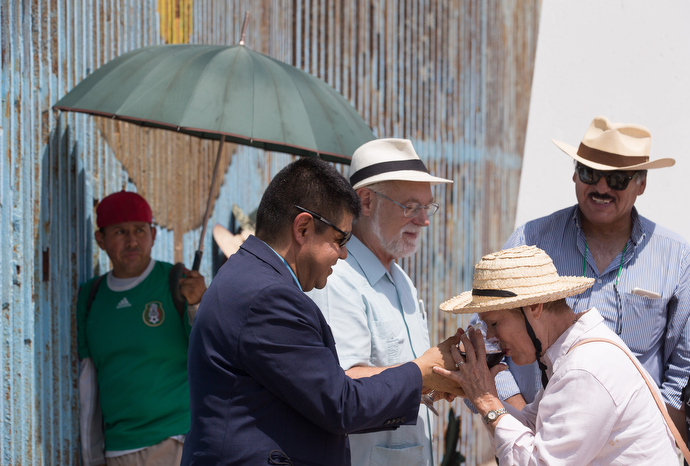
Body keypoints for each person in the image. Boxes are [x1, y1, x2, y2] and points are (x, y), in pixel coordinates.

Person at [180, 157, 461, 466]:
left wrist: (420, 384)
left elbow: (316, 400)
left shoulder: (253, 279)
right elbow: (340, 405)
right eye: (339, 240)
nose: (342, 254)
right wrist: (421, 373)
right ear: (303, 228)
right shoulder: (268, 298)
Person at [495, 115, 690, 437]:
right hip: (543, 439)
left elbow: (684, 367)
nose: (601, 187)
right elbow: (484, 334)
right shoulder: (530, 240)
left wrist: (655, 431)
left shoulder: (676, 256)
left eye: (617, 179)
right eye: (590, 173)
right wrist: (515, 413)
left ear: (641, 184)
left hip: (633, 447)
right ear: (575, 175)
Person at [437, 245, 679, 464]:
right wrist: (479, 393)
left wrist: (486, 401)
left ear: (534, 307)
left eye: (495, 323)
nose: (490, 336)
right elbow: (532, 429)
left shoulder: (584, 369)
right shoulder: (574, 354)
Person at [307, 138, 452, 466]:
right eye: (411, 206)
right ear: (366, 201)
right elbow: (342, 386)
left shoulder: (403, 281)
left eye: (427, 207)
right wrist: (424, 375)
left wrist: (441, 377)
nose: (424, 220)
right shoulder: (338, 280)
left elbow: (400, 377)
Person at [76, 190, 207, 466]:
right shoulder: (91, 296)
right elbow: (88, 383)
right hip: (119, 449)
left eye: (139, 230)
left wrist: (198, 304)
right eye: (120, 232)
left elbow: (209, 349)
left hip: (175, 440)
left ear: (153, 235)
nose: (132, 241)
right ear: (100, 239)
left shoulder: (178, 282)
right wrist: (92, 456)